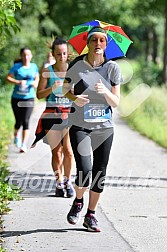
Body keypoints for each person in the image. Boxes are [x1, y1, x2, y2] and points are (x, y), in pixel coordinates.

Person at [63, 26, 122, 232]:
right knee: (85, 169)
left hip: (104, 128)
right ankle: (78, 200)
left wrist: (105, 90)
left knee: (100, 172)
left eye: (102, 41)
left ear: (107, 45)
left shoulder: (112, 67)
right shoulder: (77, 65)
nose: (98, 44)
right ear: (87, 43)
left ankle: (90, 215)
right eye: (94, 40)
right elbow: (65, 90)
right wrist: (75, 98)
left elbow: (115, 102)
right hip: (80, 125)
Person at [32, 37, 74, 198]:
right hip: (51, 113)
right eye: (58, 54)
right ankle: (58, 183)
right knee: (56, 152)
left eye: (64, 53)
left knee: (69, 151)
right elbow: (39, 95)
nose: (62, 57)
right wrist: (52, 88)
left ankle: (68, 181)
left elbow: (77, 95)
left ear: (67, 53)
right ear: (53, 54)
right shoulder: (47, 71)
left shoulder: (73, 70)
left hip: (69, 113)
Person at [6, 47, 39, 153]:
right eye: (24, 55)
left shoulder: (34, 67)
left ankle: (24, 144)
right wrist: (17, 82)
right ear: (21, 56)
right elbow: (8, 78)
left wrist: (35, 83)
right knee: (18, 121)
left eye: (28, 55)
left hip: (29, 98)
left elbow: (37, 77)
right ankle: (16, 136)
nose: (26, 57)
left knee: (26, 121)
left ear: (31, 56)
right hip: (16, 98)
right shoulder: (17, 67)